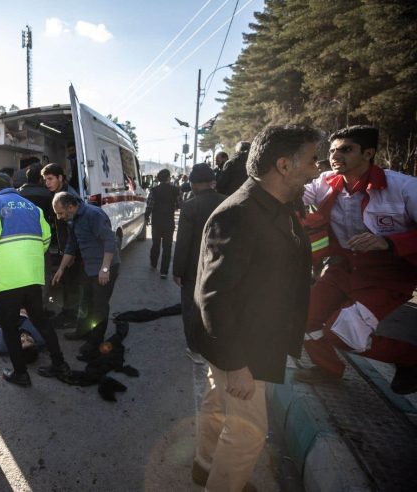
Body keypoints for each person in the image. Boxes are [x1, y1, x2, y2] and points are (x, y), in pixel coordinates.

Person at [193, 125, 321, 491]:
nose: (317, 168)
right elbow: (214, 296)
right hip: (241, 347)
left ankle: (205, 466)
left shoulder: (279, 207)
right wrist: (235, 365)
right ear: (283, 165)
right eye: (312, 160)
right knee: (249, 433)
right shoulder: (239, 213)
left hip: (251, 340)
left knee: (217, 405)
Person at [296, 125, 417, 394]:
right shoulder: (324, 182)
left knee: (343, 332)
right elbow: (291, 194)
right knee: (303, 318)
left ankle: (410, 358)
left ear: (369, 153)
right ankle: (328, 370)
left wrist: (388, 242)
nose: (336, 155)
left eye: (346, 149)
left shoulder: (405, 187)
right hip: (342, 268)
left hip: (388, 276)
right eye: (332, 150)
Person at [0, 173, 70, 387]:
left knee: (9, 328)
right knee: (41, 321)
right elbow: (46, 239)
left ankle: (20, 373)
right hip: (32, 275)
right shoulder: (31, 207)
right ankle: (60, 364)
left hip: (8, 277)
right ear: (12, 187)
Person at [52, 191, 121, 356]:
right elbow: (71, 245)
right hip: (89, 268)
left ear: (71, 206)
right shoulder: (73, 219)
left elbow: (109, 241)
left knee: (99, 306)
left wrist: (105, 269)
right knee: (85, 302)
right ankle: (82, 331)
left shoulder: (93, 214)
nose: (60, 217)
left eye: (60, 213)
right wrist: (61, 268)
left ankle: (95, 341)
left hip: (105, 268)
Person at [172, 164, 225, 365]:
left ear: (193, 185)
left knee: (191, 308)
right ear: (212, 182)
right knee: (216, 307)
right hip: (221, 265)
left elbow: (183, 242)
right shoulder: (227, 202)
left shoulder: (190, 206)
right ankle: (213, 345)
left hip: (193, 268)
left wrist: (177, 271)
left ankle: (195, 349)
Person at [41, 163, 83, 329]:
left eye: (50, 179)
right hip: (66, 247)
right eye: (45, 180)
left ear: (60, 178)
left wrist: (71, 253)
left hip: (72, 249)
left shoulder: (68, 197)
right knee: (67, 282)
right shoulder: (59, 193)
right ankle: (67, 313)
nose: (47, 183)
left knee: (72, 283)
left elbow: (74, 229)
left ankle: (71, 317)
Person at [145, 169, 179, 278]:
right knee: (167, 246)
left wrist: (146, 217)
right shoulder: (175, 190)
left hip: (156, 221)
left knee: (155, 244)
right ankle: (164, 272)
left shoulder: (153, 190)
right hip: (169, 221)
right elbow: (179, 204)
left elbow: (149, 205)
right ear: (168, 178)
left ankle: (153, 263)